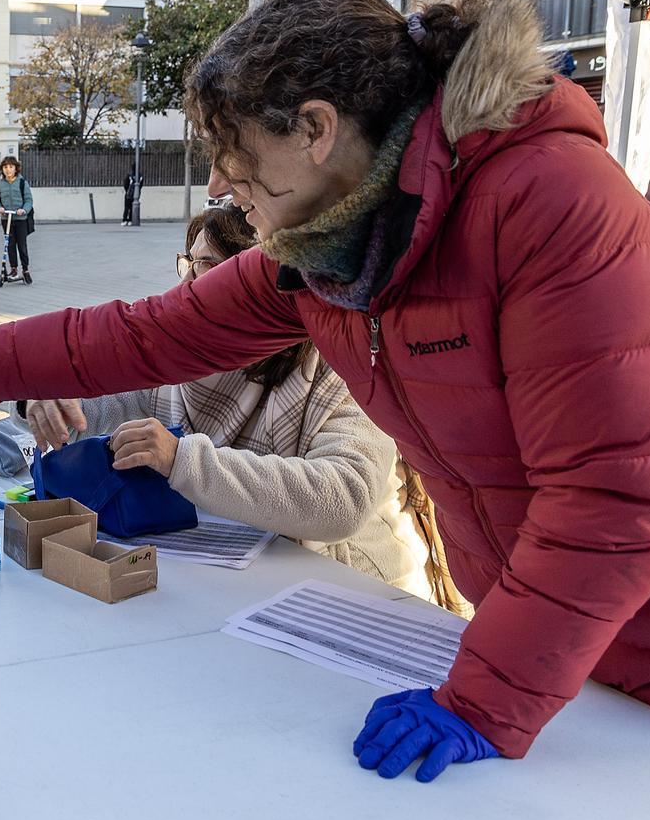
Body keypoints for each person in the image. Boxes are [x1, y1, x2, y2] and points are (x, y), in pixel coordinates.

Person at [0, 0, 650, 782]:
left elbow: (616, 498)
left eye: (232, 152)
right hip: (563, 643)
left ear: (315, 129)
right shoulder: (325, 250)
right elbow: (147, 334)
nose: (218, 184)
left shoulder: (552, 206)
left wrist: (486, 700)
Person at [22, 203, 436, 601]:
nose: (186, 290)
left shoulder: (338, 356)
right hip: (238, 576)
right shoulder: (180, 353)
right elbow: (91, 405)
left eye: (209, 270)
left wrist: (182, 460)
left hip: (360, 591)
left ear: (259, 288)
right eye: (190, 264)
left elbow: (345, 497)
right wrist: (43, 395)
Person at [0, 155, 34, 283]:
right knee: (9, 244)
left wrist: (24, 210)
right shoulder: (1, 185)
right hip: (7, 218)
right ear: (2, 169)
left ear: (16, 169)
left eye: (11, 167)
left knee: (21, 245)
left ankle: (25, 269)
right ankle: (14, 269)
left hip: (20, 219)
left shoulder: (22, 183)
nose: (8, 170)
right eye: (5, 167)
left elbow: (29, 200)